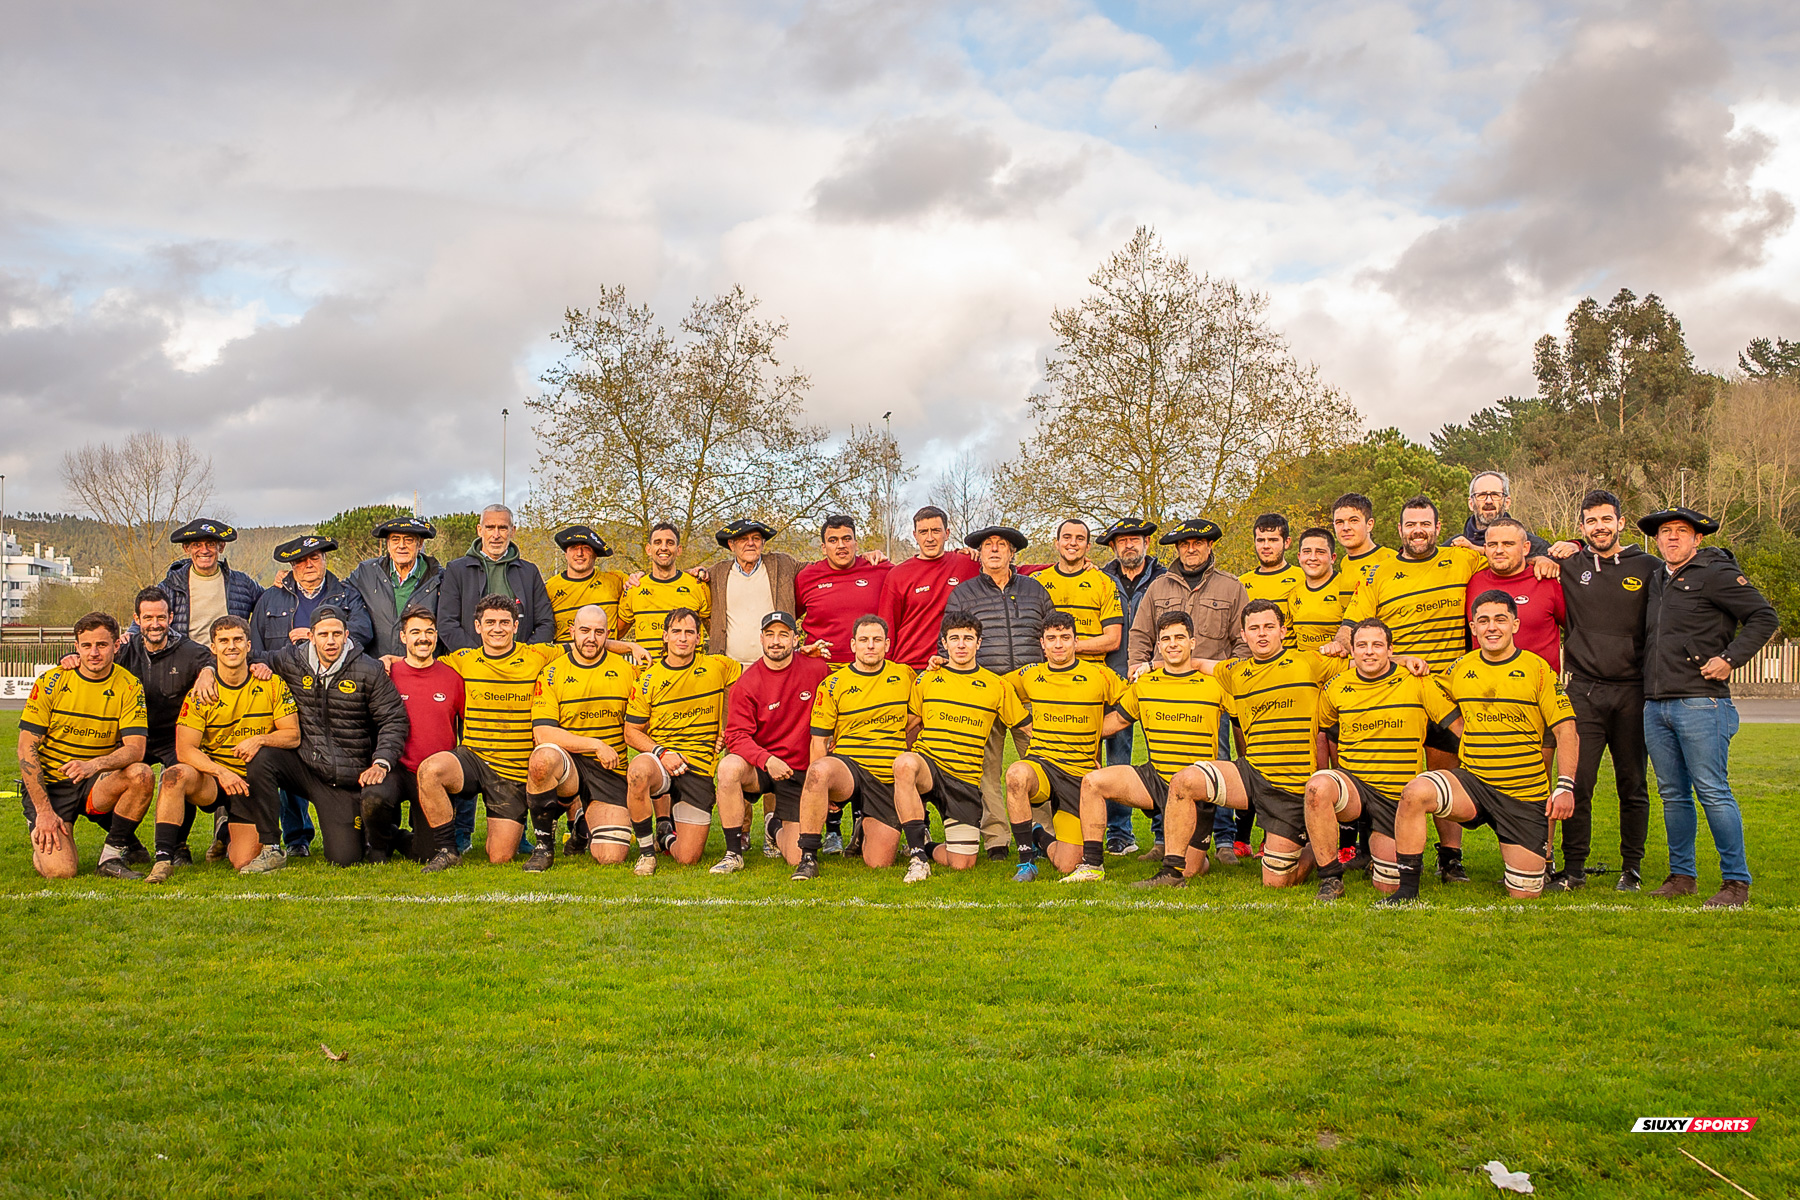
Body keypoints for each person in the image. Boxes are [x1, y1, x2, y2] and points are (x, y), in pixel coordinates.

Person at [1329, 496, 1557, 882]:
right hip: (1394, 691)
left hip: (1451, 689)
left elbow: (1507, 558)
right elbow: (1351, 629)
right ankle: (1381, 846)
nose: (1418, 530)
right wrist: (1381, 655)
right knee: (1395, 773)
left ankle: (1450, 858)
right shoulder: (1379, 573)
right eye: (1410, 524)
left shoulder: (1463, 560)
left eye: (1425, 524)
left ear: (1438, 528)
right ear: (1399, 530)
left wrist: (1544, 558)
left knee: (1445, 770)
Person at [1384, 591, 1577, 902]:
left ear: (1515, 624)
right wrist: (1408, 662)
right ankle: (1406, 893)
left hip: (1522, 794)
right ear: (1472, 628)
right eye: (1483, 621)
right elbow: (1431, 691)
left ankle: (1530, 858)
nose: (1492, 627)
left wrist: (1565, 785)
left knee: (1524, 894)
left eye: (1500, 620)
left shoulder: (1537, 669)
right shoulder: (1461, 666)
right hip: (1473, 784)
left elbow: (1566, 729)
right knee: (1416, 791)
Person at [1638, 506, 1778, 909]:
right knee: (1672, 795)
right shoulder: (1658, 579)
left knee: (1713, 792)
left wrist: (1731, 658)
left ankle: (1736, 882)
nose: (1672, 538)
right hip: (1656, 703)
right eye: (1665, 533)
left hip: (1701, 701)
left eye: (1681, 532)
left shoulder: (1715, 573)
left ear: (1698, 538)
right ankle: (1682, 876)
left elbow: (1763, 617)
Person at [1151, 601, 1341, 890]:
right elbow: (1199, 663)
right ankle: (1172, 872)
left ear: (1282, 631)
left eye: (1268, 627)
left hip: (1289, 785)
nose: (1261, 634)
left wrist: (1403, 661)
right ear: (1243, 634)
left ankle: (1315, 845)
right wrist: (1149, 666)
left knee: (1277, 882)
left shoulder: (1309, 662)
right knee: (1185, 780)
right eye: (1254, 628)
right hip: (1250, 774)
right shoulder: (1236, 671)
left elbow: (1367, 661)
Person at [1062, 611, 1226, 884]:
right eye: (1166, 639)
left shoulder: (1215, 684)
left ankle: (1197, 853)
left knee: (1189, 871)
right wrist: (1077, 743)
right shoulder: (1145, 684)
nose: (1173, 644)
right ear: (1158, 646)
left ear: (1193, 642)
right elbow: (1116, 722)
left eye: (1179, 638)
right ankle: (1091, 865)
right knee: (1093, 782)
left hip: (1193, 785)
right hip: (1154, 778)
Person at [1547, 490, 1658, 892]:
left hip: (1632, 691)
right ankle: (1574, 867)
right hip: (1584, 693)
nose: (1600, 527)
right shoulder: (1569, 565)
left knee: (1633, 783)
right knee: (1578, 782)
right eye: (1591, 521)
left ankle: (1632, 867)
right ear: (1581, 527)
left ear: (1621, 522)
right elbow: (1521, 545)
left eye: (1606, 519)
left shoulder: (1649, 567)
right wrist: (1559, 551)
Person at [1303, 618, 1455, 901]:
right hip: (1354, 788)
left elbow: (1457, 726)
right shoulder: (1336, 686)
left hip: (1395, 795)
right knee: (1318, 786)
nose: (1369, 652)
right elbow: (1323, 732)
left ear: (1390, 649)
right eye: (1361, 645)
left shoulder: (1417, 681)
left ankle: (1377, 849)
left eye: (1377, 645)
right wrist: (1320, 771)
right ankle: (1330, 878)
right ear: (1352, 650)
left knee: (1388, 886)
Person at [1127, 518, 1249, 862]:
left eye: (1198, 543)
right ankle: (1164, 840)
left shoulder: (1231, 587)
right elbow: (1140, 634)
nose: (1191, 549)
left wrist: (1228, 676)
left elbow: (1242, 642)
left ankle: (1223, 839)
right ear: (1177, 549)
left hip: (1210, 692)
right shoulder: (1158, 587)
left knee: (1217, 759)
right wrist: (1138, 667)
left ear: (1210, 546)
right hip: (1163, 690)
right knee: (1162, 761)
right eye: (1184, 544)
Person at [251, 605, 409, 867]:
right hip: (306, 768)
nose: (331, 641)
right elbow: (240, 655)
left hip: (346, 778)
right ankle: (271, 846)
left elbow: (393, 719)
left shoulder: (369, 670)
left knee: (344, 857)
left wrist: (381, 761)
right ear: (311, 636)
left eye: (337, 633)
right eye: (323, 634)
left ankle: (384, 832)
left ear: (347, 634)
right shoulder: (292, 660)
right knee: (262, 757)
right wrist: (210, 672)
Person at [414, 596, 560, 868]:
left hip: (512, 770)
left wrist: (624, 645)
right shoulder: (463, 659)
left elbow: (582, 647)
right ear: (477, 627)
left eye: (505, 622)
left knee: (500, 856)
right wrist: (388, 660)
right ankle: (448, 850)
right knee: (430, 770)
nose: (498, 628)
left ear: (516, 626)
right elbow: (419, 663)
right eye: (490, 622)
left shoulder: (537, 655)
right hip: (473, 758)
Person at [148, 615, 297, 881]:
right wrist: (221, 773)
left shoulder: (270, 683)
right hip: (214, 779)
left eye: (238, 640)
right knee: (174, 774)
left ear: (249, 645)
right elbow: (185, 750)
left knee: (242, 861)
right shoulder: (201, 692)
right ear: (213, 647)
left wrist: (261, 739)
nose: (232, 646)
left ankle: (227, 834)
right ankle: (163, 858)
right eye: (224, 641)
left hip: (252, 782)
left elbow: (292, 735)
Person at [17, 612, 155, 880]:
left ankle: (111, 856)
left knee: (142, 773)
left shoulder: (129, 686)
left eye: (102, 645)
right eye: (87, 645)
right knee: (61, 872)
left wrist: (94, 765)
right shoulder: (51, 682)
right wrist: (44, 812)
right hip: (53, 786)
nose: (94, 653)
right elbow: (26, 749)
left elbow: (135, 749)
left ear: (116, 646)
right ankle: (39, 827)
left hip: (94, 781)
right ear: (76, 646)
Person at [945, 525, 1055, 858]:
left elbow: (1051, 636)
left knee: (1038, 764)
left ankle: (1043, 832)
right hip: (984, 693)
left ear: (1012, 553)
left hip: (1030, 694)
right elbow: (950, 639)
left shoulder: (1035, 591)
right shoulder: (963, 594)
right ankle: (996, 837)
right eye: (988, 545)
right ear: (979, 553)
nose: (995, 550)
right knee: (986, 769)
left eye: (1002, 545)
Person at [893, 611, 1030, 879]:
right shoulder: (928, 678)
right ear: (944, 643)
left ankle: (924, 843)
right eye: (954, 638)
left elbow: (1026, 727)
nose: (961, 644)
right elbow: (907, 724)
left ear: (979, 643)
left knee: (962, 863)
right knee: (905, 763)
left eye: (968, 638)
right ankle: (918, 858)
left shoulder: (997, 686)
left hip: (964, 779)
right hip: (929, 765)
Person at [789, 615, 919, 881]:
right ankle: (809, 857)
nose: (870, 646)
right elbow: (818, 741)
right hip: (848, 766)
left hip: (885, 774)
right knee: (820, 771)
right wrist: (822, 787)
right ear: (852, 645)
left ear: (887, 645)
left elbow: (917, 717)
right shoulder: (834, 683)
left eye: (876, 640)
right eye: (863, 640)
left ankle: (863, 829)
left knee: (879, 862)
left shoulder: (904, 675)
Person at [622, 607, 742, 873]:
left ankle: (665, 836)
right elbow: (631, 732)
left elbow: (743, 684)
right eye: (676, 631)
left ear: (699, 638)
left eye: (690, 632)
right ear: (665, 636)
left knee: (688, 858)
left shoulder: (718, 666)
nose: (683, 638)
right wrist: (661, 752)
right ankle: (646, 854)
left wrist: (727, 726)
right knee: (638, 771)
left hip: (698, 767)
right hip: (662, 762)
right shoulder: (649, 679)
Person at [523, 604, 639, 872]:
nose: (591, 638)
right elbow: (543, 733)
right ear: (572, 631)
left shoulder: (626, 671)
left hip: (610, 770)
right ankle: (544, 846)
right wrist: (595, 745)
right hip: (571, 765)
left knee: (612, 856)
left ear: (607, 634)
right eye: (585, 630)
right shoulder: (552, 673)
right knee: (542, 759)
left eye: (599, 632)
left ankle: (583, 828)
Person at [718, 610, 834, 872]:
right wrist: (767, 759)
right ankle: (732, 853)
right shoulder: (746, 683)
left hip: (800, 769)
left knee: (796, 856)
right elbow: (735, 736)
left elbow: (833, 713)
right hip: (762, 766)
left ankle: (773, 826)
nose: (776, 641)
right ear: (761, 639)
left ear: (796, 639)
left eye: (783, 635)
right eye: (769, 634)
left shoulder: (817, 670)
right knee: (727, 768)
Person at [372, 605, 465, 863]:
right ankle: (379, 843)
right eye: (415, 632)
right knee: (374, 797)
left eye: (429, 632)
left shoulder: (453, 678)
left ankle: (401, 838)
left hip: (433, 775)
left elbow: (466, 726)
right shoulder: (387, 674)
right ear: (403, 637)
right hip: (396, 767)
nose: (423, 638)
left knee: (425, 855)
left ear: (436, 636)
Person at [1096, 518, 1165, 857]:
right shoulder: (1100, 579)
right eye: (1121, 540)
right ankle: (1119, 833)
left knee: (1163, 756)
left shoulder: (1167, 578)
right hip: (1113, 680)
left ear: (1146, 543)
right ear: (1113, 547)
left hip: (1158, 681)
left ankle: (1165, 832)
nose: (1129, 545)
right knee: (1117, 758)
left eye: (1134, 539)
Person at [438, 504, 556, 650]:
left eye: (502, 528)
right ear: (480, 530)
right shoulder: (457, 571)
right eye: (490, 527)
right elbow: (446, 623)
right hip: (471, 666)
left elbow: (546, 623)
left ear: (512, 531)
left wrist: (526, 655)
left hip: (520, 667)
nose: (496, 535)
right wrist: (475, 658)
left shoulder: (529, 572)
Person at [877, 506, 978, 671]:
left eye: (936, 531)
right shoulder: (897, 575)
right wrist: (883, 669)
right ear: (915, 535)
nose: (930, 538)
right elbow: (886, 627)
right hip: (910, 666)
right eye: (923, 532)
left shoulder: (967, 564)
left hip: (953, 665)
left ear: (947, 533)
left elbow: (1006, 571)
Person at [250, 535, 375, 659]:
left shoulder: (348, 595)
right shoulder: (269, 598)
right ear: (292, 565)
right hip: (283, 676)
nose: (308, 565)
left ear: (324, 559)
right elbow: (256, 646)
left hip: (337, 676)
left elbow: (363, 632)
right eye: (301, 560)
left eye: (314, 558)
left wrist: (317, 634)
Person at [1466, 517, 1566, 671]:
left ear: (1525, 548)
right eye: (1493, 545)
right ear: (1485, 548)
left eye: (1508, 544)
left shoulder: (1547, 580)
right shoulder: (1472, 582)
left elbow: (1576, 630)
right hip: (1485, 687)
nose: (1499, 550)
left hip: (1537, 688)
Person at [795, 514, 895, 667]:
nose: (841, 545)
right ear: (823, 548)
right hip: (821, 666)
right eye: (833, 540)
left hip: (869, 666)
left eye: (847, 539)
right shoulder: (806, 577)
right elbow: (788, 617)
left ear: (856, 544)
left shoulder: (880, 570)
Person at [148, 518, 264, 641]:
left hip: (230, 658)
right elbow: (146, 614)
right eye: (197, 545)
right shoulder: (170, 586)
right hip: (186, 659)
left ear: (221, 547)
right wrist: (130, 634)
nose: (204, 550)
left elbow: (270, 604)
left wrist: (282, 581)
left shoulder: (243, 583)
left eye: (210, 544)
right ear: (186, 548)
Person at [705, 519, 802, 665]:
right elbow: (686, 582)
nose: (750, 543)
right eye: (743, 539)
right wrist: (696, 571)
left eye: (756, 538)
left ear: (763, 543)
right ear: (732, 545)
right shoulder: (718, 573)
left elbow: (819, 571)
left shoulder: (783, 565)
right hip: (729, 668)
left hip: (778, 665)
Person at [347, 515, 445, 660]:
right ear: (388, 544)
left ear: (420, 544)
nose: (401, 545)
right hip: (378, 669)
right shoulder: (365, 573)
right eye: (395, 539)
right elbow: (341, 597)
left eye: (409, 540)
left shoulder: (441, 578)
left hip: (422, 671)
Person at [616, 523, 712, 659]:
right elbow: (615, 635)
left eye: (670, 543)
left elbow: (714, 632)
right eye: (658, 542)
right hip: (649, 673)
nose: (664, 547)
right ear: (648, 549)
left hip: (690, 676)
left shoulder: (697, 585)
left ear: (679, 550)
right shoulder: (635, 588)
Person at [1037, 519, 1125, 666]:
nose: (1073, 543)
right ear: (1057, 543)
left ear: (1088, 546)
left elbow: (1113, 640)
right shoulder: (1038, 581)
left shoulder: (1105, 582)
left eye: (1080, 539)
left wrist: (1070, 646)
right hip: (1049, 674)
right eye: (1067, 537)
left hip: (1092, 672)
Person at [546, 525, 626, 643]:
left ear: (595, 554)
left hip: (608, 657)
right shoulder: (548, 587)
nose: (580, 553)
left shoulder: (616, 580)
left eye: (586, 548)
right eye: (574, 547)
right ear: (565, 554)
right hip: (564, 658)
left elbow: (633, 608)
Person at [1287, 529, 1350, 653]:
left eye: (1320, 552)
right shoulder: (1294, 594)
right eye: (1307, 552)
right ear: (1299, 557)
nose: (1313, 558)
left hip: (1341, 668)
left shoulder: (1347, 588)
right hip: (1305, 669)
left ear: (1333, 558)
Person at [1460, 471, 1552, 556]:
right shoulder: (1452, 548)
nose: (1488, 501)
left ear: (1507, 503)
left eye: (1495, 495)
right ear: (1471, 504)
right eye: (1482, 495)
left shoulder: (1538, 549)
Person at [1239, 512, 1304, 617]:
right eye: (1261, 540)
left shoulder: (1303, 578)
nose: (1266, 546)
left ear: (1287, 542)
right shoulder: (1240, 583)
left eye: (1273, 540)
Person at [1330, 494, 1398, 587]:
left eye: (1353, 520)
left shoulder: (1390, 559)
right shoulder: (1345, 562)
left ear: (1369, 525)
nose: (1346, 527)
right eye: (1339, 522)